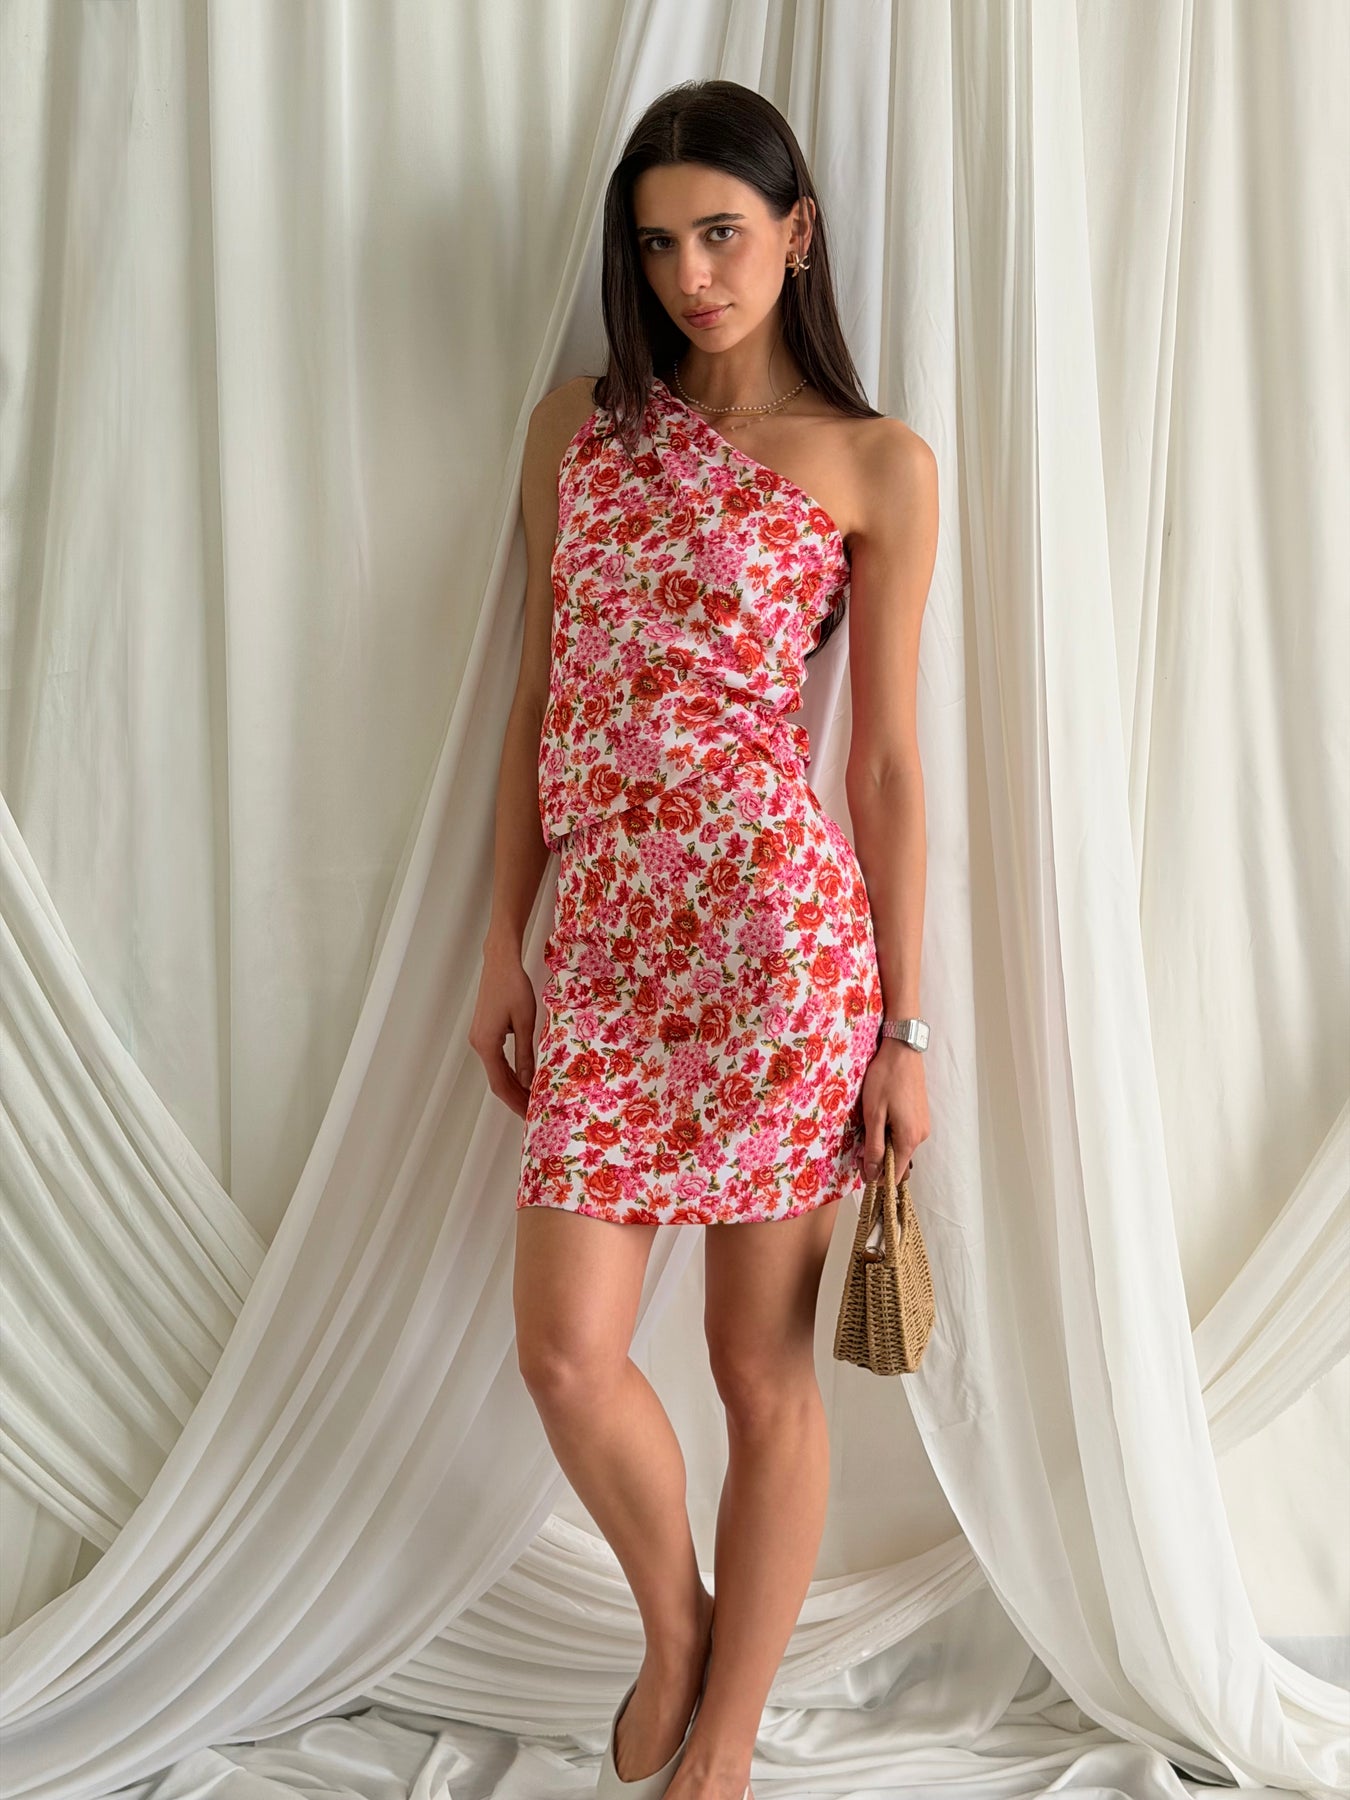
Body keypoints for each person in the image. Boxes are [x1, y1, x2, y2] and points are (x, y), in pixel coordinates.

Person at [470, 78, 937, 1800]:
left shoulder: (873, 462)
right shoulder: (576, 430)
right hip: (602, 949)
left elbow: (882, 764)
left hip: (776, 951)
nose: (691, 276)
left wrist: (903, 1028)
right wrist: (503, 945)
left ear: (795, 233)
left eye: (723, 235)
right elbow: (540, 699)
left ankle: (724, 1744)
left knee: (760, 1368)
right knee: (564, 1350)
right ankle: (677, 1627)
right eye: (660, 243)